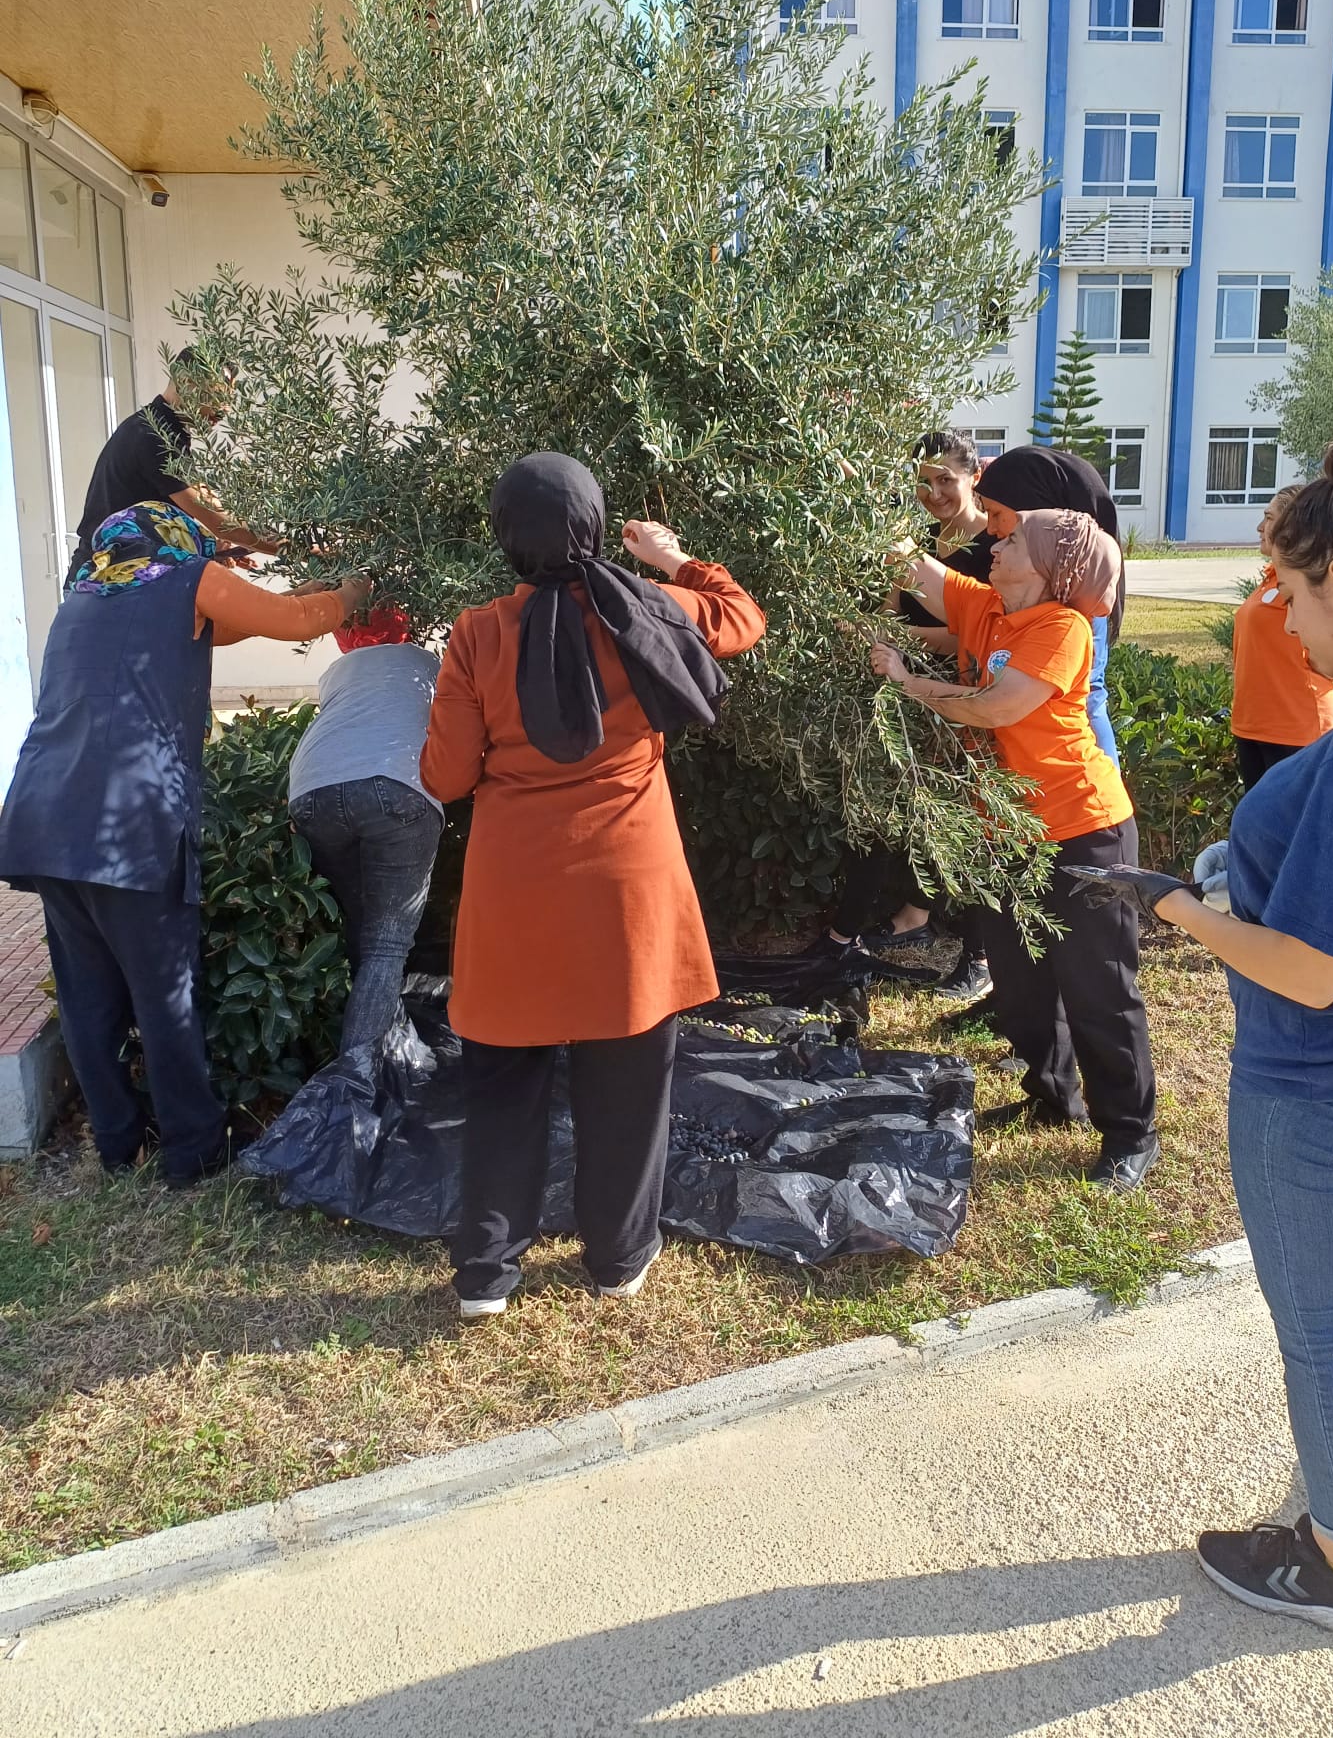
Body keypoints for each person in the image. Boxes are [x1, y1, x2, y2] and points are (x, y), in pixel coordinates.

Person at [1070, 434, 1333, 1639]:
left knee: (1314, 1321)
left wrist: (1180, 909)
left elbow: (1312, 970)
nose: (1288, 621)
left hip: (1323, 1079)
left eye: (1294, 592)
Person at [421, 455, 765, 1318]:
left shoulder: (475, 634)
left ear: (505, 536)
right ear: (598, 525)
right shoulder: (648, 606)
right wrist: (674, 557)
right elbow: (742, 616)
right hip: (628, 889)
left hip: (515, 894)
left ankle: (488, 1275)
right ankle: (616, 1257)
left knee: (503, 1079)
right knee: (629, 1075)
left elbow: (447, 776)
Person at [0, 502, 369, 1184]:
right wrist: (351, 592)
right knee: (164, 992)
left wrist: (262, 580)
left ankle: (116, 1146)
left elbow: (220, 629)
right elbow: (290, 622)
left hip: (44, 818)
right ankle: (194, 1151)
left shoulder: (86, 594)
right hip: (128, 823)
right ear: (177, 545)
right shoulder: (184, 577)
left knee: (88, 998)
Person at [873, 505, 1159, 1190]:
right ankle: (1049, 1094)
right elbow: (909, 560)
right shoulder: (988, 609)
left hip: (1085, 831)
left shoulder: (1061, 627)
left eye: (1013, 541)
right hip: (1009, 834)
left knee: (1099, 989)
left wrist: (910, 683)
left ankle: (1129, 1133)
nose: (996, 545)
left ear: (1051, 567)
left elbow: (1000, 705)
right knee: (1022, 983)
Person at [823, 428, 995, 998]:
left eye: (945, 478)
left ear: (974, 475)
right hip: (909, 690)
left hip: (971, 691)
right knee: (898, 804)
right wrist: (873, 633)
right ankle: (911, 917)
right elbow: (891, 608)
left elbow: (971, 634)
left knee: (970, 815)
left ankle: (978, 955)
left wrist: (897, 643)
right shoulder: (921, 541)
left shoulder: (995, 547)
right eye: (923, 481)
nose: (934, 492)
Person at [287, 607, 443, 1066]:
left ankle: (389, 1045)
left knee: (363, 930)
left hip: (312, 790)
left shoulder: (338, 671)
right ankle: (356, 1084)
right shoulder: (427, 663)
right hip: (397, 786)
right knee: (387, 943)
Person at [66, 346, 275, 582]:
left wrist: (213, 548)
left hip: (115, 578)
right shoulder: (157, 436)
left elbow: (204, 511)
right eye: (217, 396)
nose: (224, 409)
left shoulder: (159, 427)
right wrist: (300, 549)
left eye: (229, 399)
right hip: (105, 584)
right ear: (186, 380)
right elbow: (221, 521)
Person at [972, 446, 1125, 763]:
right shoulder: (1050, 581)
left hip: (1083, 797)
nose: (990, 527)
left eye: (997, 513)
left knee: (1091, 701)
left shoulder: (1072, 618)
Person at [1231, 485, 1333, 789]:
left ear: (1292, 525)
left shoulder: (1315, 582)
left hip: (1299, 728)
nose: (1260, 527)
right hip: (1253, 727)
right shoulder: (1271, 580)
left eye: (1269, 518)